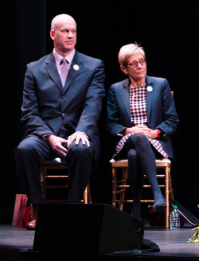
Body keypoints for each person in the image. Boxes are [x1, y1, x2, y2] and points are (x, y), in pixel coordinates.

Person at [15, 14, 105, 229]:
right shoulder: (34, 69)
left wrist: (82, 130)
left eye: (74, 31)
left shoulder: (93, 66)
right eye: (65, 31)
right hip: (45, 134)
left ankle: (71, 210)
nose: (71, 35)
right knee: (24, 149)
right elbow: (29, 112)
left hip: (78, 131)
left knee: (81, 149)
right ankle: (37, 209)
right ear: (53, 34)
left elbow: (93, 104)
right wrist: (48, 136)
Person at [107, 43, 179, 219]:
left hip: (155, 141)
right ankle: (157, 195)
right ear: (124, 69)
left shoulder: (161, 84)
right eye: (134, 63)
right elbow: (111, 124)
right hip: (128, 139)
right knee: (138, 137)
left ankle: (136, 211)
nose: (140, 66)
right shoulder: (116, 89)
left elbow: (172, 120)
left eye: (142, 61)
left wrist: (156, 133)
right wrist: (129, 130)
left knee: (134, 155)